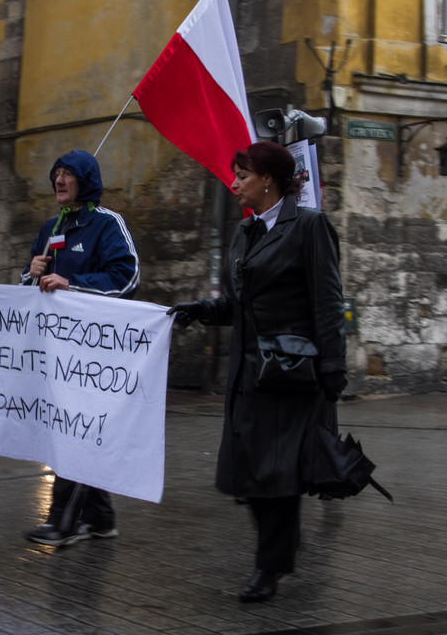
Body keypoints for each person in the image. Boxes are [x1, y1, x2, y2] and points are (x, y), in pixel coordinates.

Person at [167, 141, 347, 602]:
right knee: (248, 472)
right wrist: (201, 310)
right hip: (248, 373)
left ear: (268, 179)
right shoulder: (244, 233)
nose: (234, 182)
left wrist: (333, 368)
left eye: (242, 174)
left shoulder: (308, 226)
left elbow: (327, 302)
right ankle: (279, 548)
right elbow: (238, 303)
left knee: (276, 472)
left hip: (291, 372)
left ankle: (270, 565)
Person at [20, 150, 140, 546]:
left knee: (73, 433)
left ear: (85, 180)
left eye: (68, 174)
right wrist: (29, 275)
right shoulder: (49, 227)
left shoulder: (107, 224)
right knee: (69, 430)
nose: (59, 180)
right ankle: (101, 519)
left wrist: (72, 284)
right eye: (55, 173)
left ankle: (63, 521)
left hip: (93, 356)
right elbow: (30, 292)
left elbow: (126, 277)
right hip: (56, 354)